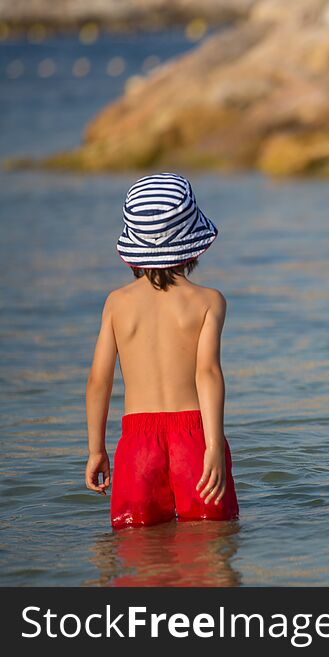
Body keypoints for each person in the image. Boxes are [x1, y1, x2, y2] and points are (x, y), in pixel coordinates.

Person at [85, 172, 239, 527]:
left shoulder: (116, 304)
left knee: (137, 549)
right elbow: (208, 373)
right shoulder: (208, 301)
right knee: (211, 546)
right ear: (193, 243)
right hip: (195, 436)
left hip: (137, 442)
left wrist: (96, 450)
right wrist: (213, 447)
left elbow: (98, 381)